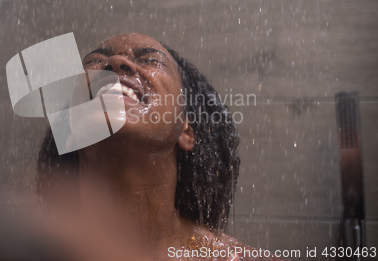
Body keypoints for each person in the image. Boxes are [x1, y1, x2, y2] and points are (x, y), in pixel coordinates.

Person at [37, 33, 282, 261]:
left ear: (186, 129)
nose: (116, 61)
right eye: (95, 61)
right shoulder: (17, 247)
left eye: (151, 60)